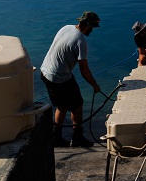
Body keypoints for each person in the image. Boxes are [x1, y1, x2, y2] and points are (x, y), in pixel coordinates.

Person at [40, 11, 102, 147]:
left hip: (45, 72)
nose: (91, 31)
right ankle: (77, 138)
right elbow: (84, 71)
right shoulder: (81, 41)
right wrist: (95, 85)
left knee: (61, 106)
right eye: (92, 28)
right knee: (77, 104)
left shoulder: (65, 28)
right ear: (88, 26)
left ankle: (56, 137)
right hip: (59, 78)